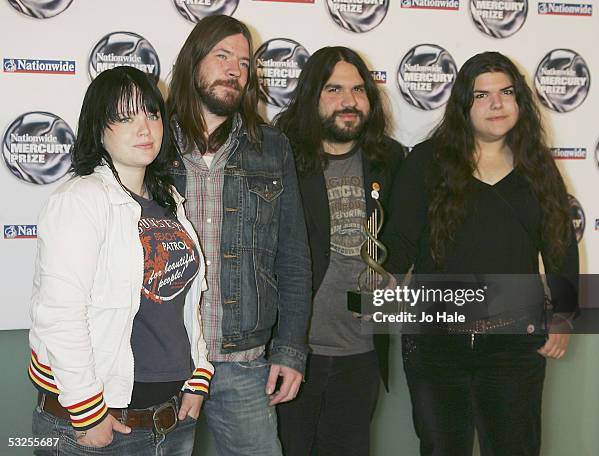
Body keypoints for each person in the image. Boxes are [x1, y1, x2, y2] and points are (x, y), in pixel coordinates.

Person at [383, 51, 579, 456]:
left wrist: (562, 315)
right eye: (481, 95)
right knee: (441, 447)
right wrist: (367, 294)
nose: (496, 104)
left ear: (520, 101)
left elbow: (559, 243)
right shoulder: (425, 162)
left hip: (513, 344)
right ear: (463, 106)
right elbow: (397, 249)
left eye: (506, 92)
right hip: (435, 341)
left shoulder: (537, 168)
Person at [28, 66, 213, 455]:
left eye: (152, 113)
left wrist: (198, 376)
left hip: (171, 419)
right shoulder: (81, 200)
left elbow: (184, 301)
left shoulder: (168, 202)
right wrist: (88, 412)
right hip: (100, 424)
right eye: (126, 117)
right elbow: (60, 315)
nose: (144, 128)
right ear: (98, 127)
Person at [167, 14, 311, 456]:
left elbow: (292, 257)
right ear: (194, 63)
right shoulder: (152, 143)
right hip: (162, 362)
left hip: (244, 362)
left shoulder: (271, 146)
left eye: (245, 63)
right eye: (223, 56)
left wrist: (289, 350)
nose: (235, 70)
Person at [274, 46, 404, 456]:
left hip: (361, 354)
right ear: (312, 97)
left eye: (358, 90)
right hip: (293, 352)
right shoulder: (284, 158)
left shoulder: (391, 160)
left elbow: (405, 243)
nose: (349, 101)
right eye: (334, 89)